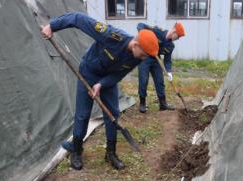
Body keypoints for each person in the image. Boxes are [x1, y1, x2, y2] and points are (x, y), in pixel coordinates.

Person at [41, 12, 158, 170]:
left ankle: (110, 153)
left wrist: (101, 84)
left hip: (106, 80)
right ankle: (76, 149)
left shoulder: (136, 58)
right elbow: (77, 18)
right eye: (144, 55)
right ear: (136, 45)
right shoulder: (111, 36)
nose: (143, 59)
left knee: (112, 114)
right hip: (88, 73)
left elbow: (119, 74)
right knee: (83, 114)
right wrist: (52, 26)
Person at [136, 22, 185, 113]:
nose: (177, 39)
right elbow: (140, 25)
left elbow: (167, 60)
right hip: (144, 57)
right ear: (174, 31)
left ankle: (163, 104)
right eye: (177, 37)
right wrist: (143, 35)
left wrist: (169, 71)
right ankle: (142, 103)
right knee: (143, 80)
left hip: (156, 60)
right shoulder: (157, 31)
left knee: (160, 81)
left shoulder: (170, 46)